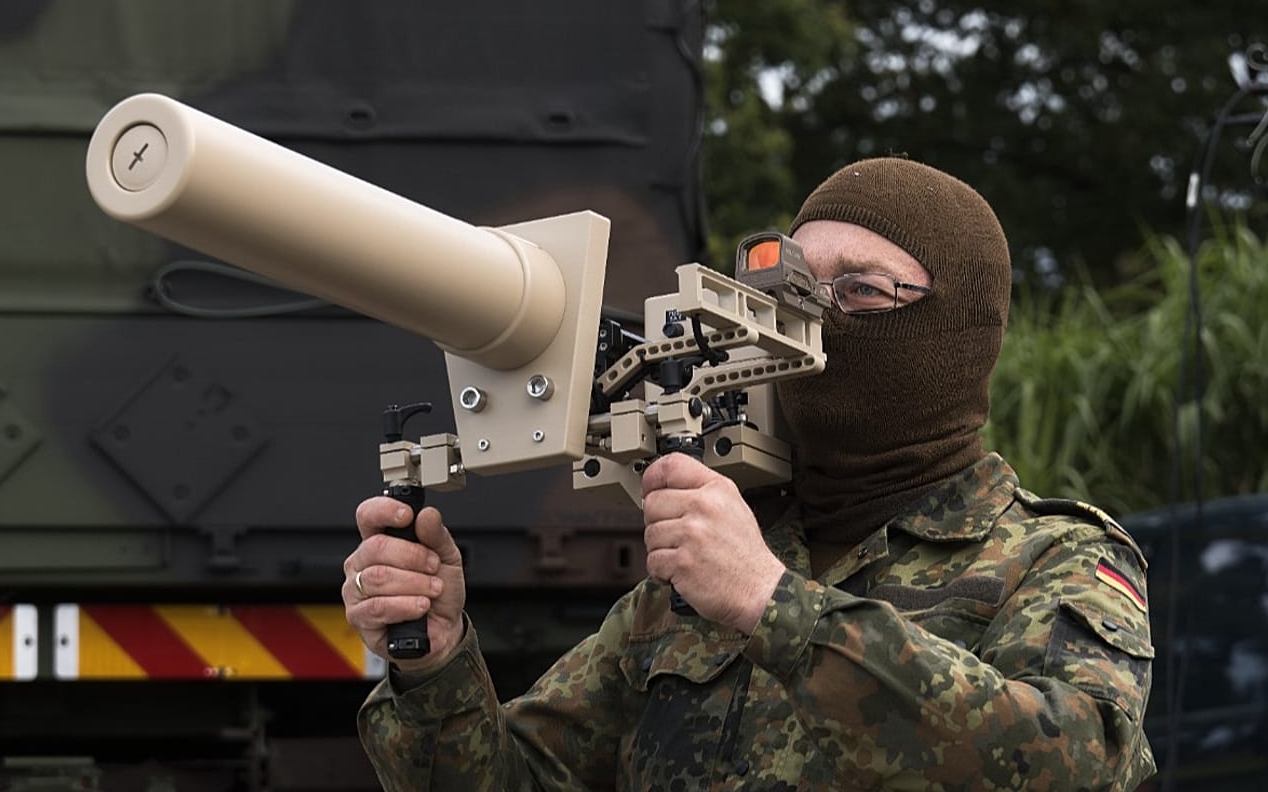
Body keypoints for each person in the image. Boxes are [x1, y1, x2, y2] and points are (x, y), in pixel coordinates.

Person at [341, 157, 1156, 791]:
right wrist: (436, 661)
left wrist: (776, 606)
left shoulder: (1054, 556)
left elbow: (1077, 764)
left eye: (860, 291)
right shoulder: (700, 577)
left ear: (955, 334)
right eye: (793, 289)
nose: (814, 319)